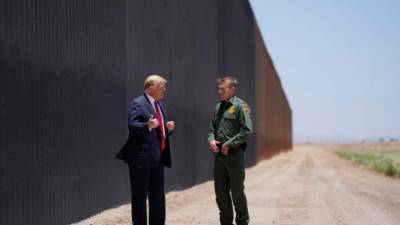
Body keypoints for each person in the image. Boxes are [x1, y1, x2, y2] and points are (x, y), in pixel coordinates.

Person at [116, 75, 174, 225]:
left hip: (157, 158)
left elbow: (158, 130)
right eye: (162, 87)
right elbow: (132, 125)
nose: (164, 90)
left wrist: (167, 128)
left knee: (158, 198)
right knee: (140, 198)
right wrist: (147, 125)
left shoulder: (160, 105)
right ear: (151, 87)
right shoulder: (138, 103)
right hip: (140, 160)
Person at [208, 76, 253, 225]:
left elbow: (247, 130)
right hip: (219, 156)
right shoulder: (218, 107)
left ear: (232, 89)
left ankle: (242, 221)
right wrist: (211, 140)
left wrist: (229, 144)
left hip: (234, 156)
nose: (219, 91)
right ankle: (226, 222)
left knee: (237, 192)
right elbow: (211, 129)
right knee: (220, 193)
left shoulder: (241, 107)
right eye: (218, 88)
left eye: (223, 88)